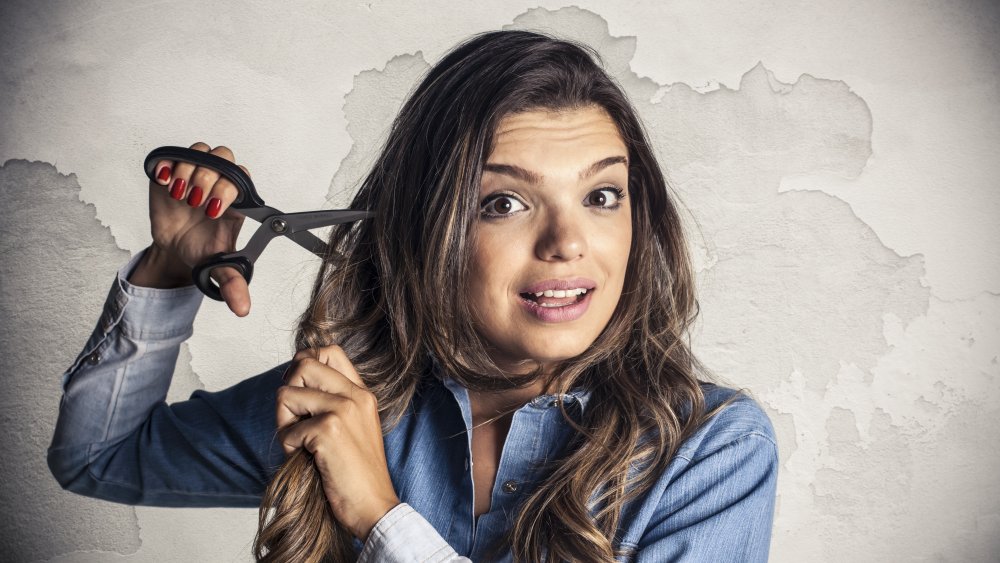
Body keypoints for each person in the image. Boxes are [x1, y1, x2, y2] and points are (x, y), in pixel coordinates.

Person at [48, 31, 778, 562]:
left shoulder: (711, 449)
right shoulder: (359, 403)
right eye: (504, 203)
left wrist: (378, 515)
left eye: (602, 194)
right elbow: (99, 455)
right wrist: (170, 274)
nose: (567, 242)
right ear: (425, 228)